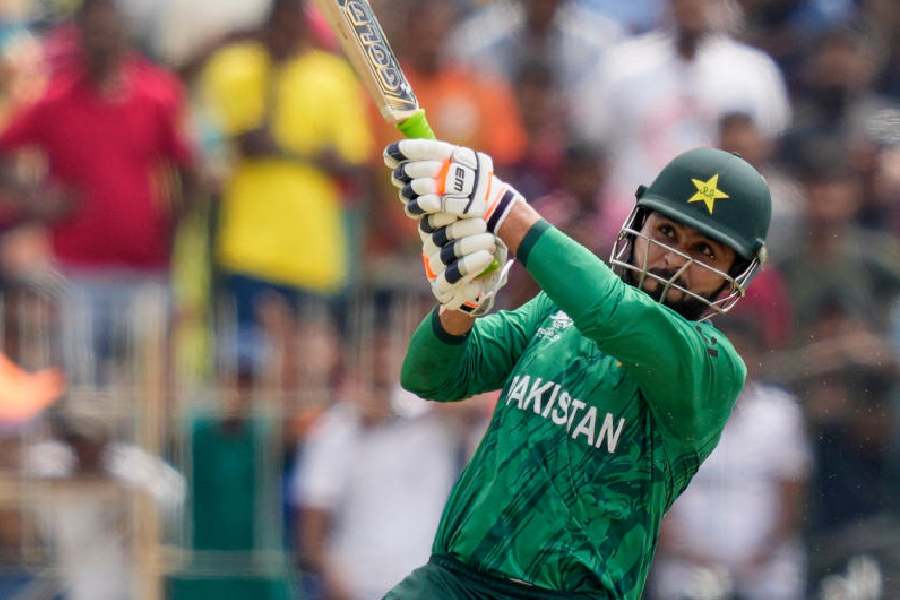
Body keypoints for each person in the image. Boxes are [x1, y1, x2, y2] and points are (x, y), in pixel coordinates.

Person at [377, 137, 771, 598]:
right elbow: (431, 376)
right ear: (637, 225)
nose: (674, 261)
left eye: (704, 252)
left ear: (735, 274)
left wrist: (500, 207)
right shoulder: (558, 308)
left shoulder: (714, 368)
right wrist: (461, 303)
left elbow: (614, 313)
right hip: (452, 582)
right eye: (666, 234)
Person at [0, 0, 198, 385]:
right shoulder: (54, 101)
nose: (101, 42)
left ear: (124, 35)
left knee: (143, 393)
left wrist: (172, 235)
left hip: (145, 272)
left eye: (108, 31)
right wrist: (34, 201)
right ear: (79, 39)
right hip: (77, 275)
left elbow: (188, 170)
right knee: (80, 392)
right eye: (92, 33)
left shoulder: (157, 96)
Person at [202, 0, 372, 383]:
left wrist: (283, 151)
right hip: (249, 250)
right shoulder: (235, 68)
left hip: (312, 256)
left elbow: (354, 165)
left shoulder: (332, 77)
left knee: (308, 375)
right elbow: (241, 142)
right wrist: (273, 81)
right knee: (246, 371)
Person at [651, 316, 810, 600]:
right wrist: (696, 556)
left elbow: (792, 502)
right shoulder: (673, 412)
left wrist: (754, 558)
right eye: (724, 353)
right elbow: (657, 500)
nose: (735, 364)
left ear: (759, 359)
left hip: (763, 573)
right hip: (687, 571)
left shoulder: (781, 414)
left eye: (744, 352)